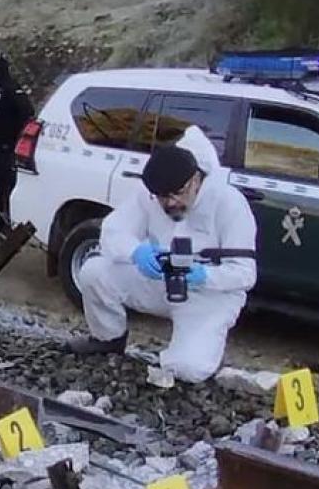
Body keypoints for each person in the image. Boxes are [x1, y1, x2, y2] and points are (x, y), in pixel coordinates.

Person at [67, 128, 257, 383]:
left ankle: (200, 347)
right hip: (159, 282)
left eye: (176, 194)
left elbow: (245, 274)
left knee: (187, 369)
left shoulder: (229, 204)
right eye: (161, 197)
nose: (169, 203)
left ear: (196, 180)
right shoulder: (150, 196)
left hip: (208, 296)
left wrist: (202, 275)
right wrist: (136, 252)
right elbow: (112, 232)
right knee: (93, 272)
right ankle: (108, 339)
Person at [0, 55, 34, 239]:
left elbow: (26, 115)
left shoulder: (13, 90)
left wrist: (16, 138)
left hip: (9, 148)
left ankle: (9, 227)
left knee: (7, 189)